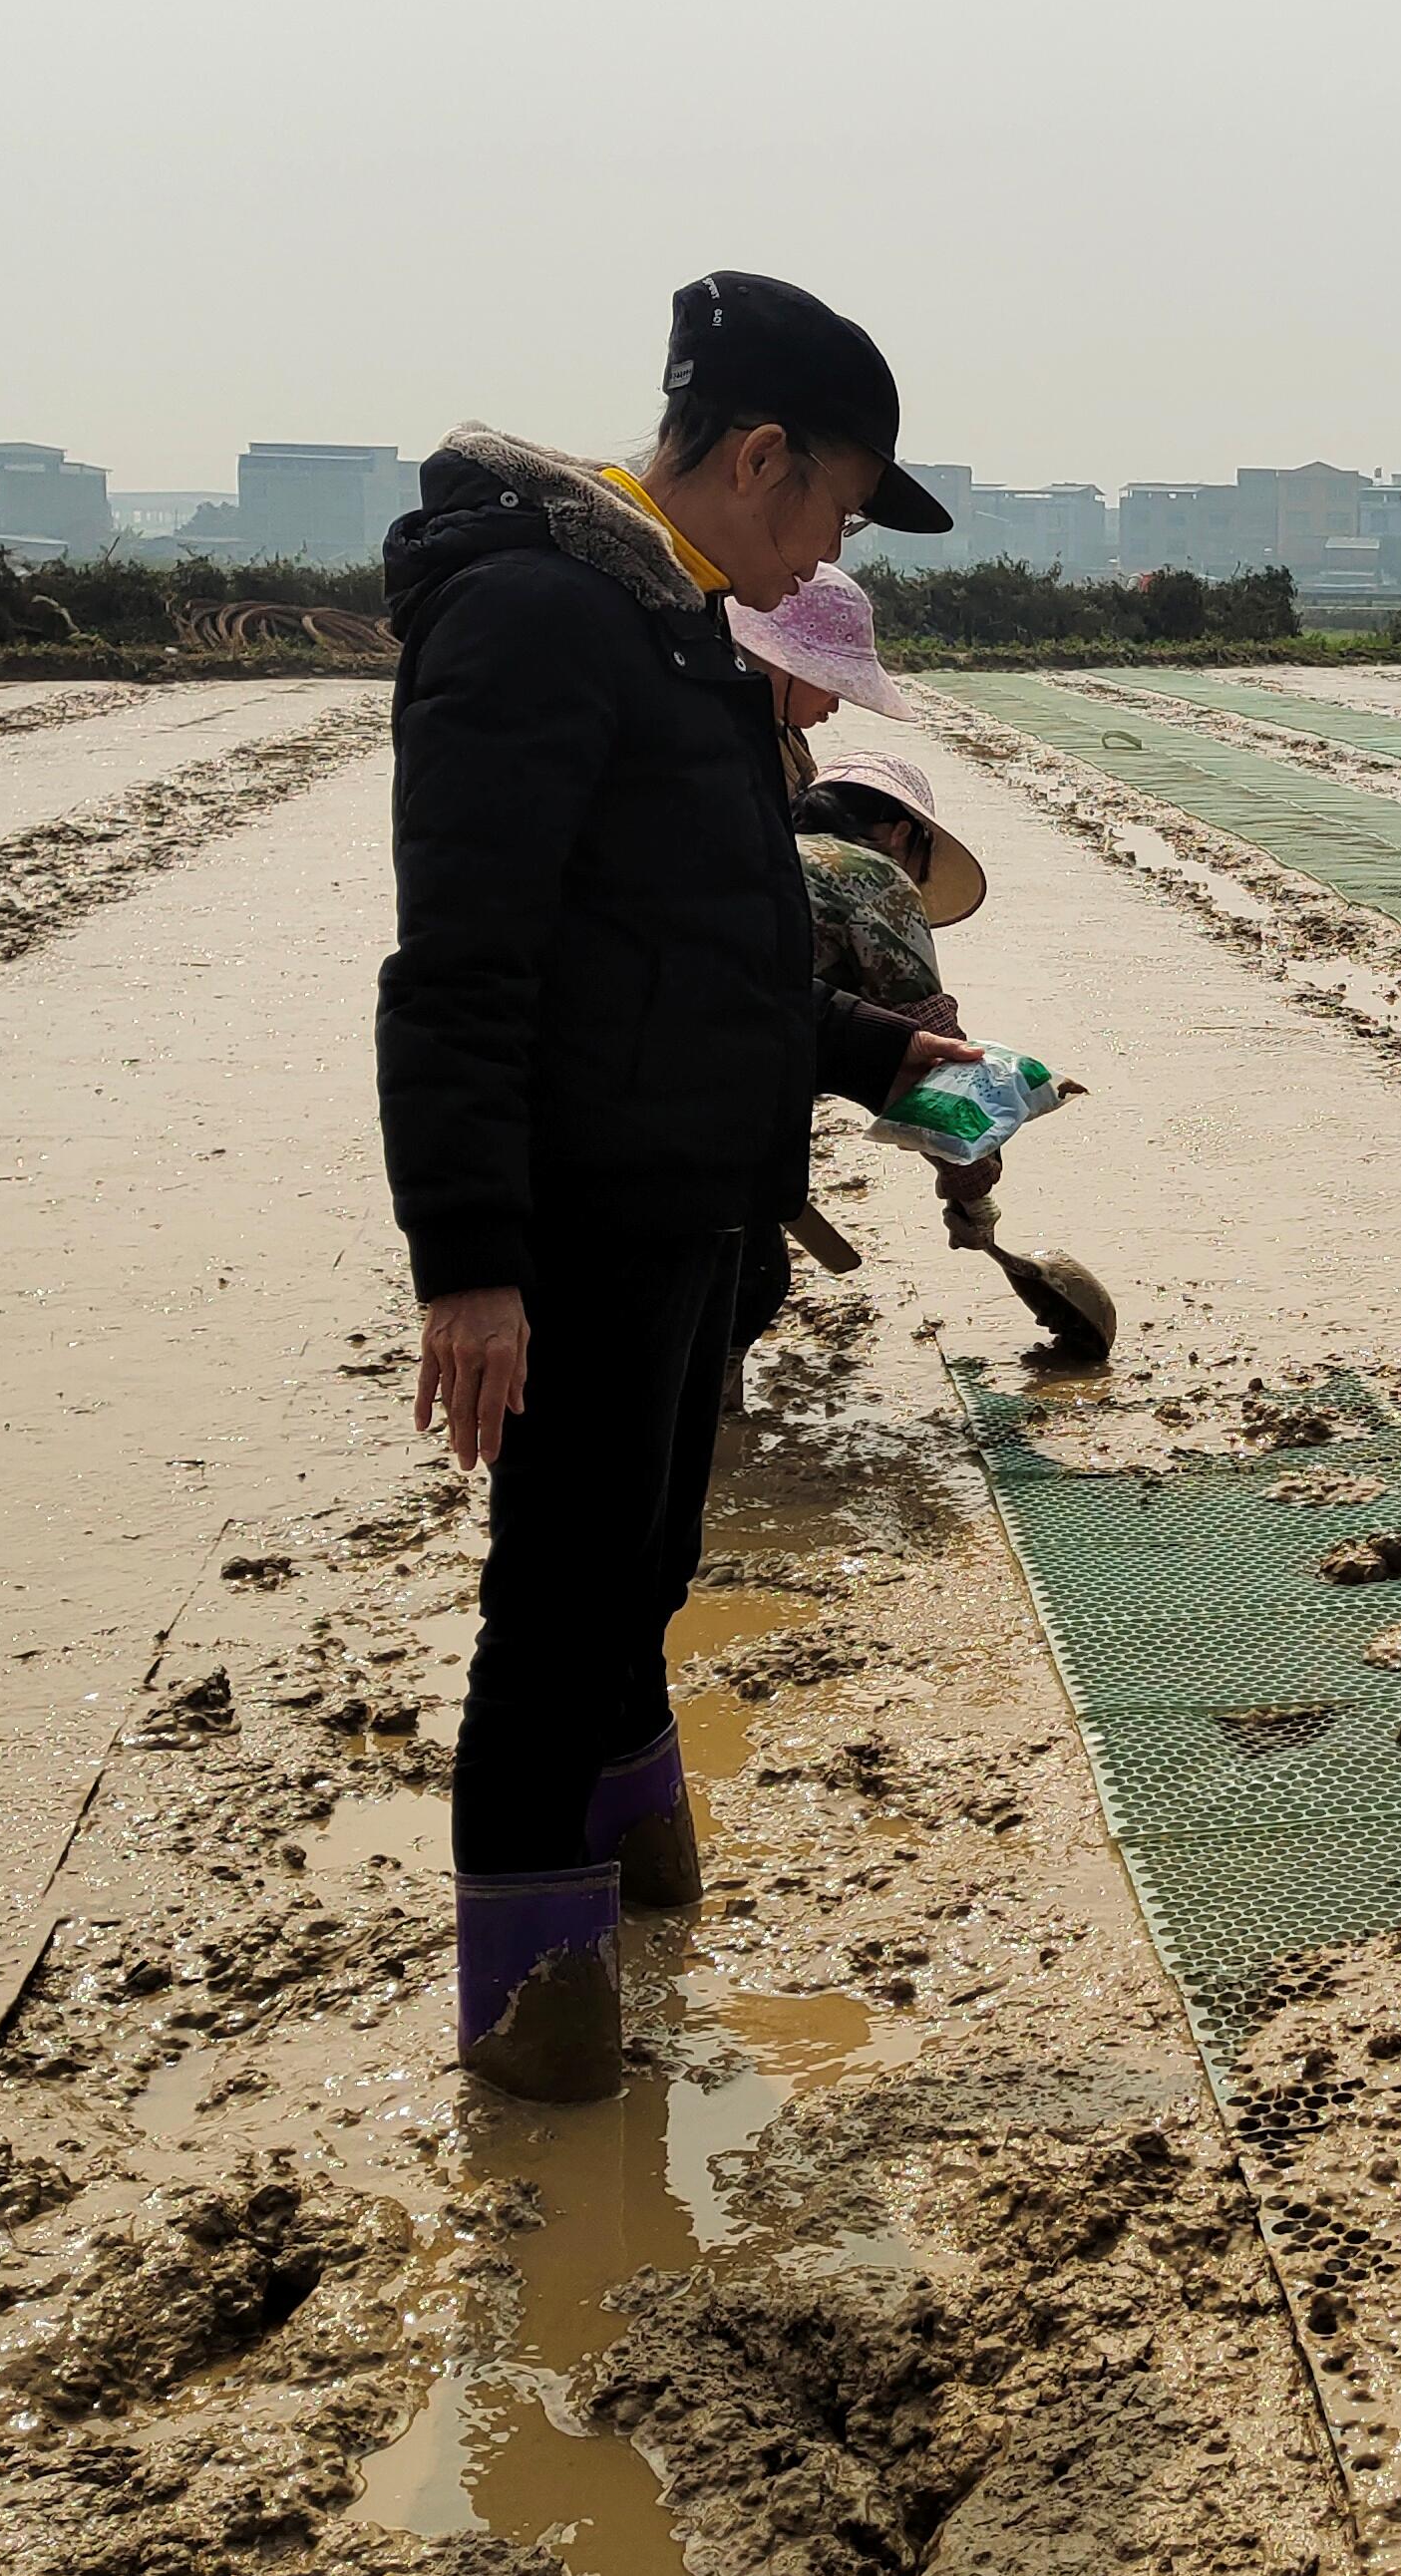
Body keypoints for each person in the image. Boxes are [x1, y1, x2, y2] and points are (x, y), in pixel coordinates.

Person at [376, 269, 973, 2100]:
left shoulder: (680, 630)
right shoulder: (542, 621)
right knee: (555, 1603)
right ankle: (535, 2034)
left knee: (645, 1562)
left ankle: (634, 1886)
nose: (834, 549)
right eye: (840, 506)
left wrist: (876, 1061)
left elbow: (709, 953)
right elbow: (460, 961)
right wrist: (470, 1262)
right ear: (760, 453)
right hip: (581, 1206)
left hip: (689, 1199)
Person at [720, 747, 997, 1402]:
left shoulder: (747, 846)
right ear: (903, 835)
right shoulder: (873, 875)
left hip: (653, 1068)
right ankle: (711, 1440)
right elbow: (931, 1056)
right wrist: (972, 1189)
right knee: (743, 1281)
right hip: (733, 1080)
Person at [734, 562, 909, 798]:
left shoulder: (780, 730)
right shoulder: (730, 744)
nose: (834, 706)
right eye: (833, 688)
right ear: (792, 666)